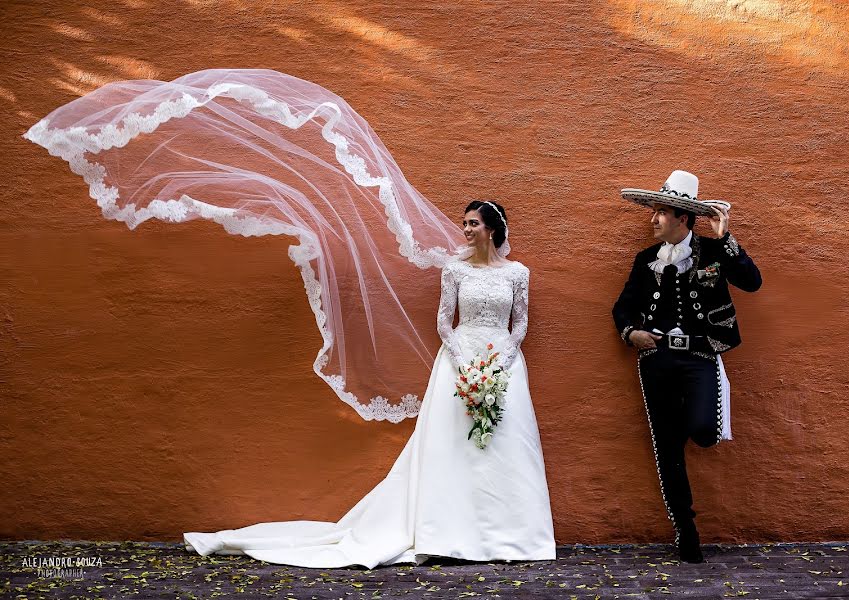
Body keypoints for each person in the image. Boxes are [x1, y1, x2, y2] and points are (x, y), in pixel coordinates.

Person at [24, 69, 555, 568]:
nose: (463, 230)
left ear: (491, 228)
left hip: (503, 362)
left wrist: (501, 356)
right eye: (461, 222)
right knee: (452, 444)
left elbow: (520, 323)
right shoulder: (454, 271)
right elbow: (443, 320)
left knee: (506, 442)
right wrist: (462, 353)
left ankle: (511, 535)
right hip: (458, 355)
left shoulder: (518, 273)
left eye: (471, 224)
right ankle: (448, 533)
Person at [612, 170, 762, 563]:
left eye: (661, 212)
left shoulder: (714, 252)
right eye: (655, 212)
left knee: (702, 431)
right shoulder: (645, 261)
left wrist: (726, 236)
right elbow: (623, 306)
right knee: (667, 449)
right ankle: (686, 531)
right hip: (656, 361)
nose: (653, 219)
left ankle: (696, 430)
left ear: (682, 217)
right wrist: (632, 334)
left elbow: (752, 282)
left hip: (700, 356)